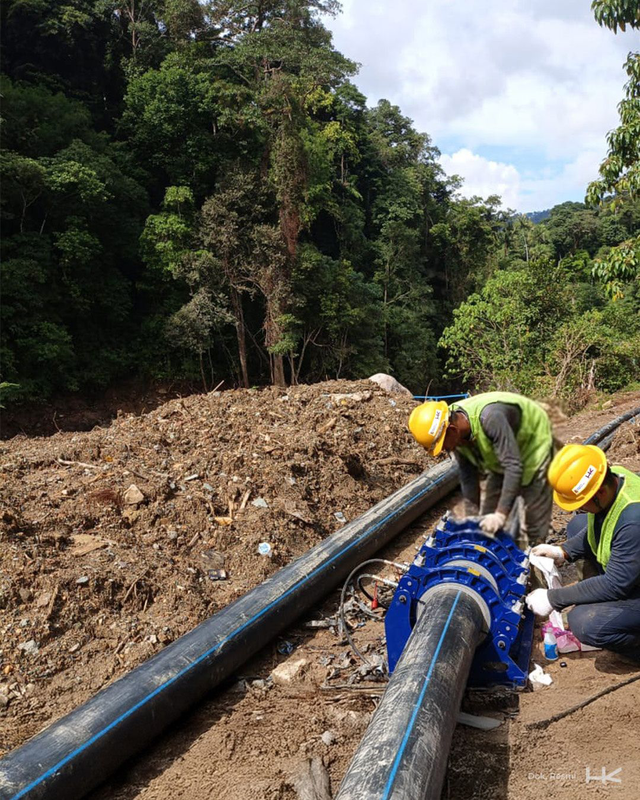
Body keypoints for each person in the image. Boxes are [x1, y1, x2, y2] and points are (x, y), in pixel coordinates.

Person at [526, 443, 640, 663]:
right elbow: (602, 524)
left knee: (585, 622)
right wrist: (563, 551)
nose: (580, 508)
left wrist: (553, 598)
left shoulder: (634, 522)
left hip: (626, 580)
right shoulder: (615, 478)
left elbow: (615, 584)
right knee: (578, 525)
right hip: (630, 566)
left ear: (601, 493)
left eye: (581, 503)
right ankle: (602, 602)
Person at [408, 392, 554, 544]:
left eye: (443, 445)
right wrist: (472, 518)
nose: (444, 450)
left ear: (452, 430)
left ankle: (536, 547)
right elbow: (468, 473)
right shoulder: (450, 423)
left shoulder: (491, 419)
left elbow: (514, 466)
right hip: (506, 439)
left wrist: (500, 514)